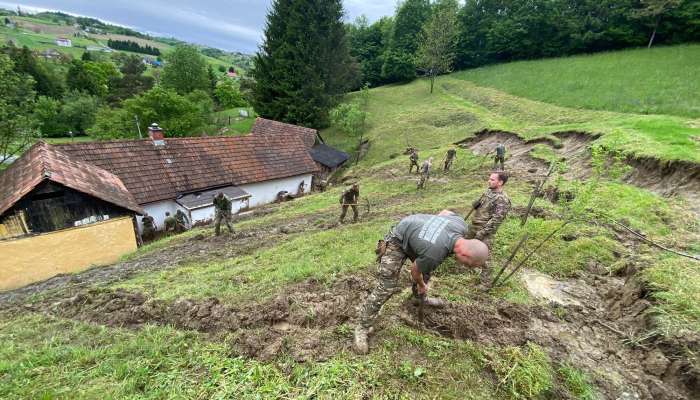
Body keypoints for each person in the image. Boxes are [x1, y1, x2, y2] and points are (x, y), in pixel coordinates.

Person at [354, 210, 489, 354]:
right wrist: (421, 285)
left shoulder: (461, 225)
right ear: (464, 254)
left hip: (417, 236)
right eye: (468, 264)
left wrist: (430, 233)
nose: (465, 266)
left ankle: (419, 299)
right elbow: (414, 271)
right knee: (387, 286)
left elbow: (445, 212)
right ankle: (362, 327)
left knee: (426, 271)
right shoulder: (435, 253)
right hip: (398, 239)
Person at [466, 172, 511, 288]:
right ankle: (467, 269)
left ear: (500, 182)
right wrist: (476, 205)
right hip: (474, 225)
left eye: (492, 179)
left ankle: (486, 284)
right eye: (489, 179)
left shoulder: (502, 199)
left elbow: (496, 219)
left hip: (485, 230)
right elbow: (482, 205)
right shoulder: (488, 191)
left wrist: (483, 232)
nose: (489, 181)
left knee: (485, 257)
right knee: (467, 247)